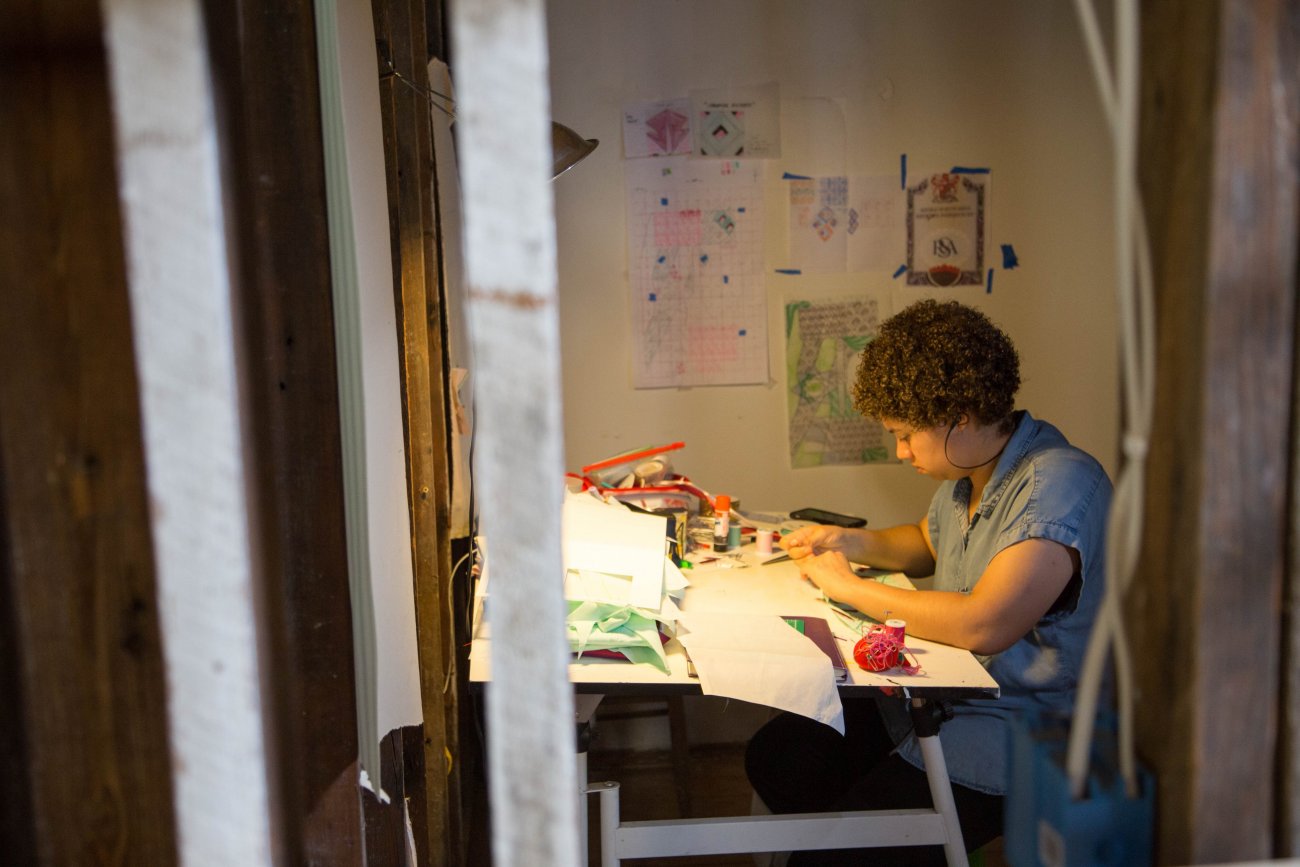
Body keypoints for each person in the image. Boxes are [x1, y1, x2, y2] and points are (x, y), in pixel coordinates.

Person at [745, 299, 1112, 865]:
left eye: (905, 435)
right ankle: (858, 831)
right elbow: (925, 540)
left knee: (828, 859)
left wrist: (847, 586)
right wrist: (847, 542)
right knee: (779, 757)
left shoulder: (1058, 482)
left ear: (959, 416)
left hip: (1017, 732)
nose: (899, 452)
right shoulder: (972, 474)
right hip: (941, 699)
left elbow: (985, 622)